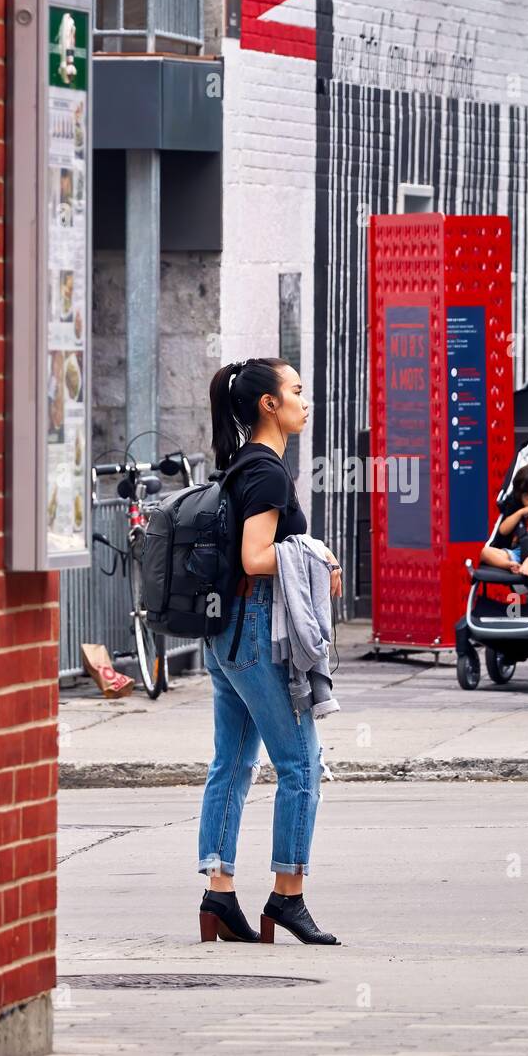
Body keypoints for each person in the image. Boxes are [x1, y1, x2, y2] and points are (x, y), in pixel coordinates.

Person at [197, 357, 343, 946]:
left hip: (225, 634)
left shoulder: (242, 465)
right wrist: (319, 555)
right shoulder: (268, 473)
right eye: (297, 391)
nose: (306, 403)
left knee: (231, 765)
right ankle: (287, 895)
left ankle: (219, 893)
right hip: (256, 631)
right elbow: (258, 556)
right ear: (269, 405)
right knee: (301, 767)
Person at [479, 462, 528, 579]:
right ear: (520, 497)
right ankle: (510, 565)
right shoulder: (520, 513)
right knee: (484, 552)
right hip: (518, 554)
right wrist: (521, 512)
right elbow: (503, 531)